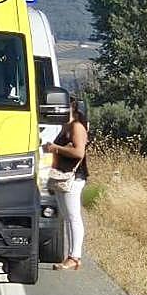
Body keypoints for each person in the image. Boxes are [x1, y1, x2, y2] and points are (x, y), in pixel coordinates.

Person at [43, 99, 89, 271]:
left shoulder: (76, 127)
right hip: (64, 176)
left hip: (73, 177)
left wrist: (55, 148)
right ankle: (71, 256)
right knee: (67, 216)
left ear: (73, 109)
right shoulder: (67, 126)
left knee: (73, 217)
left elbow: (78, 152)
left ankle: (74, 256)